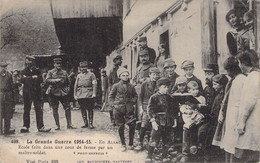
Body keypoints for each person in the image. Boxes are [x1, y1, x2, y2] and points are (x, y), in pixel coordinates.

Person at [212, 57, 245, 162]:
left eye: (228, 70)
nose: (227, 73)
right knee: (229, 145)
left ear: (232, 69)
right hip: (229, 116)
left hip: (235, 117)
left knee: (234, 146)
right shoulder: (233, 81)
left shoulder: (240, 80)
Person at [234, 51, 260, 162]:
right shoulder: (255, 75)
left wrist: (242, 122)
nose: (239, 66)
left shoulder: (253, 77)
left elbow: (250, 101)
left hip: (252, 121)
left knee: (249, 153)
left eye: (239, 63)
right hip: (254, 120)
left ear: (244, 63)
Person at [146, 77, 178, 162]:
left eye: (167, 87)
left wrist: (174, 120)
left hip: (168, 121)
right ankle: (149, 156)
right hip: (158, 121)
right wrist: (153, 121)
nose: (166, 89)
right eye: (164, 87)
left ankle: (164, 156)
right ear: (159, 87)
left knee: (166, 140)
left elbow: (174, 110)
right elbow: (150, 110)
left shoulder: (170, 98)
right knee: (154, 139)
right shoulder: (154, 97)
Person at [108, 67, 137, 151]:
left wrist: (133, 102)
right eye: (123, 75)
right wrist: (113, 105)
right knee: (120, 126)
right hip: (118, 108)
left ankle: (131, 143)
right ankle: (123, 144)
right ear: (119, 76)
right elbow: (111, 97)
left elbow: (135, 96)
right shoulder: (116, 86)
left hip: (129, 108)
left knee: (132, 125)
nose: (125, 77)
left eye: (127, 75)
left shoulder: (131, 86)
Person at [20, 56, 51, 133]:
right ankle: (25, 126)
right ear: (26, 62)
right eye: (28, 61)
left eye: (31, 61)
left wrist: (29, 79)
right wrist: (32, 78)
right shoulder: (23, 71)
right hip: (27, 93)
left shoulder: (37, 70)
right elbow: (22, 80)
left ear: (33, 62)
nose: (29, 63)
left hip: (37, 93)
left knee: (39, 109)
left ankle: (41, 127)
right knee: (26, 109)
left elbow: (40, 80)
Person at [45, 57, 76, 130]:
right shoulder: (50, 72)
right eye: (57, 63)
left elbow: (68, 83)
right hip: (54, 92)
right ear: (54, 64)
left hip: (63, 93)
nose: (59, 65)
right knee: (55, 109)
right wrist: (55, 80)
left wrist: (67, 90)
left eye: (60, 64)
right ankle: (57, 125)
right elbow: (47, 80)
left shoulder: (64, 72)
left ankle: (69, 124)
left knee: (67, 108)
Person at [203, 74, 228, 162]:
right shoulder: (218, 94)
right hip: (213, 121)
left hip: (217, 123)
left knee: (211, 141)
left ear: (222, 85)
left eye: (215, 84)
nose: (213, 87)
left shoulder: (222, 96)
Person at [134, 67, 160, 151]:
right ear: (150, 75)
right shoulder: (145, 84)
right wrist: (141, 107)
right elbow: (140, 96)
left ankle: (153, 145)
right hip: (146, 107)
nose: (155, 76)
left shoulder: (159, 84)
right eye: (153, 75)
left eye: (157, 75)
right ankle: (140, 143)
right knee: (143, 126)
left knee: (155, 127)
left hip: (155, 108)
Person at [179, 81, 206, 162]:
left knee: (190, 129)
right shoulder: (186, 98)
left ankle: (194, 151)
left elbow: (203, 110)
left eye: (197, 89)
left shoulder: (202, 98)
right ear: (189, 90)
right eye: (193, 90)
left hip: (198, 119)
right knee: (187, 129)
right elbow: (182, 108)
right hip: (188, 118)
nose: (196, 91)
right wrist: (185, 111)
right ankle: (185, 153)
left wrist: (199, 108)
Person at [74, 61, 97, 129]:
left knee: (90, 109)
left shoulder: (91, 74)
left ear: (87, 67)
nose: (83, 68)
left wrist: (94, 93)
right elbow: (75, 85)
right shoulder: (79, 75)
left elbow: (94, 84)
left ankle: (90, 123)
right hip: (80, 94)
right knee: (82, 109)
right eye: (82, 67)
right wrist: (75, 94)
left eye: (84, 67)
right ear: (80, 68)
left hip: (89, 94)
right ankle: (85, 123)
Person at [0, 61, 15, 135]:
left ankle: (7, 129)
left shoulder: (9, 75)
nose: (3, 68)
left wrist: (12, 97)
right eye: (2, 67)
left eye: (5, 67)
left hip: (8, 95)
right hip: (0, 94)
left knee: (8, 113)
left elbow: (12, 86)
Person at [107, 54, 122, 125]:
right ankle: (112, 120)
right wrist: (112, 89)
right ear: (115, 60)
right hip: (113, 89)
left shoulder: (120, 69)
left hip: (120, 89)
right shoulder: (112, 70)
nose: (121, 61)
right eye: (119, 60)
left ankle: (117, 119)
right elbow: (109, 81)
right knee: (112, 105)